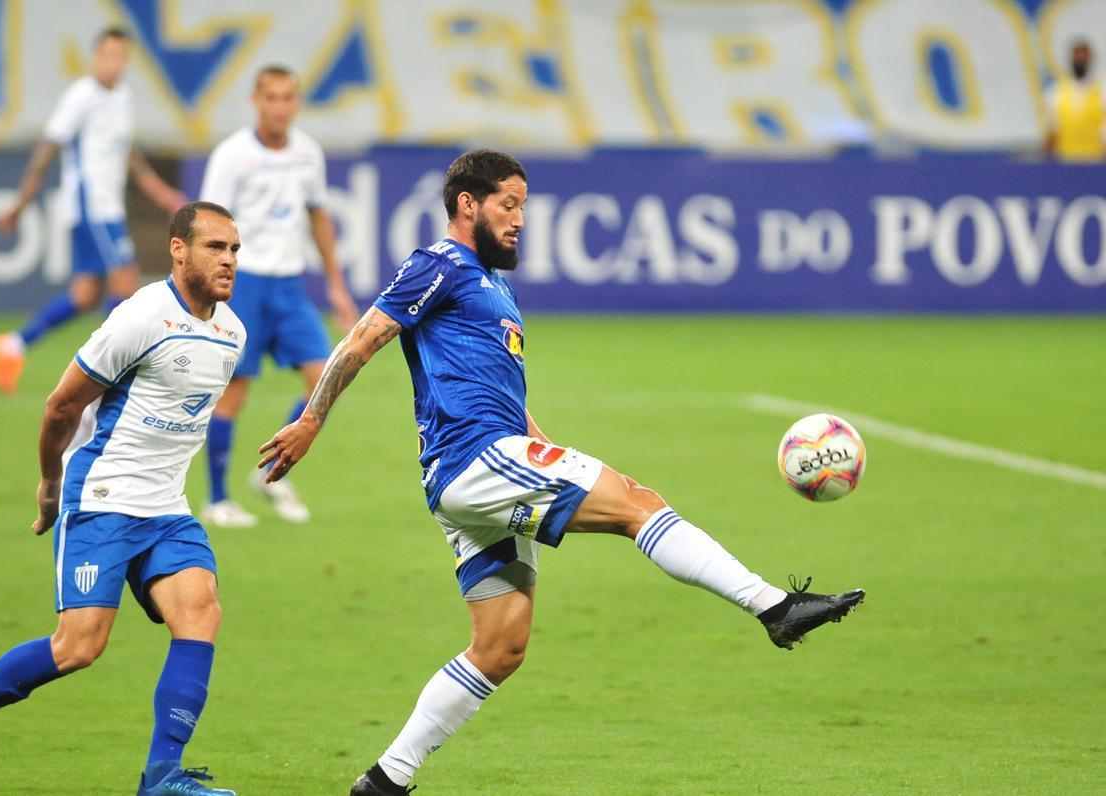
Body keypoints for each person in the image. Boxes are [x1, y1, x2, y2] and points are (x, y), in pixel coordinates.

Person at [256, 149, 867, 795]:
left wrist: (546, 446)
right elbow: (361, 340)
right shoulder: (440, 263)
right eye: (508, 204)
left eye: (524, 205)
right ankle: (774, 606)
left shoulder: (493, 286)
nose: (521, 219)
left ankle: (385, 781)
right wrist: (312, 419)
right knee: (639, 503)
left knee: (500, 648)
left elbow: (503, 396)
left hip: (476, 473)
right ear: (468, 204)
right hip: (477, 459)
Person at [0, 202, 245, 796]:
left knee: (201, 613)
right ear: (178, 249)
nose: (228, 260)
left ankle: (163, 775)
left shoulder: (231, 333)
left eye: (235, 249)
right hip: (104, 497)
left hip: (167, 509)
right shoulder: (140, 318)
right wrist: (49, 484)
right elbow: (61, 405)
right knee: (79, 646)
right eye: (215, 247)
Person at [197, 64, 358, 528]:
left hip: (289, 285)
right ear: (256, 101)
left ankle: (270, 468)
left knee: (326, 377)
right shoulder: (232, 156)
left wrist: (335, 283)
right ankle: (217, 498)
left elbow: (319, 217)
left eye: (287, 97)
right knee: (233, 396)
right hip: (242, 284)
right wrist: (210, 288)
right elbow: (207, 223)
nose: (279, 107)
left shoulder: (308, 153)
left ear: (297, 102)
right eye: (271, 97)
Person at [0, 27, 186, 395]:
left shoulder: (122, 97)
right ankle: (114, 375)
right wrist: (19, 205)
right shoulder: (80, 97)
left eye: (120, 56)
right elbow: (47, 151)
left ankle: (10, 346)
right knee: (125, 281)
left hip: (107, 208)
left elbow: (128, 154)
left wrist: (159, 193)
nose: (114, 63)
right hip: (90, 207)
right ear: (95, 58)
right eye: (107, 55)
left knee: (85, 296)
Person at [1044, 39, 1106, 161]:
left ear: (1090, 59)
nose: (1080, 59)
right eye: (1077, 55)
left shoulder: (1103, 90)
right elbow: (1052, 132)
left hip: (1096, 162)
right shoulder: (1057, 91)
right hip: (1066, 163)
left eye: (1084, 56)